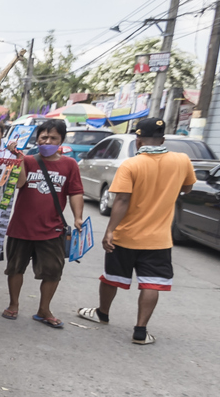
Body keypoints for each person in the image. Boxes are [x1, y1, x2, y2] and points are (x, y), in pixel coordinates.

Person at [78, 117, 196, 344]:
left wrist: (110, 231)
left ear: (138, 140)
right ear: (163, 139)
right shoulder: (182, 161)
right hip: (159, 239)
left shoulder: (132, 164)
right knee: (152, 283)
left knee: (111, 277)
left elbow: (122, 199)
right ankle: (140, 331)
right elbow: (187, 188)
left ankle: (102, 313)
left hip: (126, 235)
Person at [0, 119, 84, 328]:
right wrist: (18, 159)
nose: (47, 141)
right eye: (43, 137)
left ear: (61, 141)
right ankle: (14, 304)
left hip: (52, 228)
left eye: (53, 138)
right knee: (15, 268)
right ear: (37, 139)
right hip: (21, 226)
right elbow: (19, 184)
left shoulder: (69, 164)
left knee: (53, 271)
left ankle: (44, 309)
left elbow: (75, 192)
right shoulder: (27, 160)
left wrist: (78, 217)